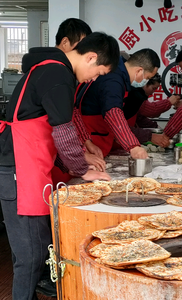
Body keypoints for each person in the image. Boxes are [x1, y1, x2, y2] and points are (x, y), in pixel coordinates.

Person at [0, 31, 119, 300]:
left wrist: (77, 160)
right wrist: (82, 169)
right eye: (98, 72)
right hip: (20, 169)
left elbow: (51, 132)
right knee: (29, 256)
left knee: (37, 247)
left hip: (29, 165)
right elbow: (62, 130)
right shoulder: (58, 75)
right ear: (90, 57)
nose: (94, 79)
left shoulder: (50, 69)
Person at [78, 48, 169, 157]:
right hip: (91, 136)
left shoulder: (120, 75)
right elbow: (113, 113)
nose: (145, 81)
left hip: (98, 137)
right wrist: (132, 146)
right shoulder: (113, 80)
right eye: (147, 77)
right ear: (139, 71)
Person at [52, 18, 106, 188]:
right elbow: (61, 126)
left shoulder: (67, 75)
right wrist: (81, 161)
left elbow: (72, 112)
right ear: (65, 42)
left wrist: (87, 142)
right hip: (39, 155)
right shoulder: (54, 73)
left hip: (57, 156)